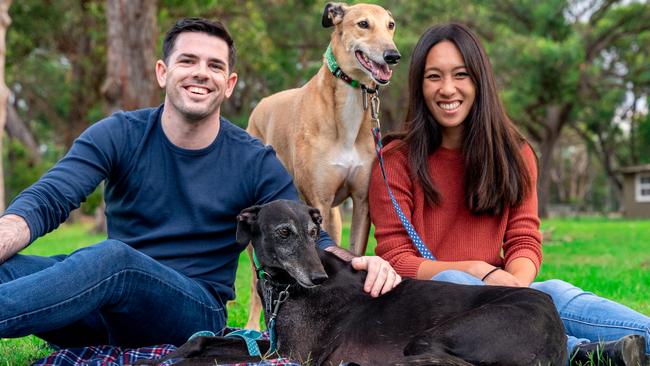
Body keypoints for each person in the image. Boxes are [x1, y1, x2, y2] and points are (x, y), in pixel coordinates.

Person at [0, 17, 401, 349]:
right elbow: (49, 198)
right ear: (163, 72)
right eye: (188, 61)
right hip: (106, 308)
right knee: (11, 269)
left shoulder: (253, 159)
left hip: (192, 310)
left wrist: (359, 261)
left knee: (112, 259)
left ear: (228, 84)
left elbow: (303, 232)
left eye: (214, 66)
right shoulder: (118, 133)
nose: (200, 74)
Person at [369, 23, 649, 366]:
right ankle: (579, 353)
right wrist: (479, 271)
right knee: (455, 280)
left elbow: (524, 240)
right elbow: (397, 257)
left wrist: (513, 288)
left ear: (479, 81)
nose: (447, 89)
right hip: (433, 303)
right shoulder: (394, 159)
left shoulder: (514, 154)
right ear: (419, 84)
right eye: (433, 77)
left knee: (555, 290)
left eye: (461, 75)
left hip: (500, 290)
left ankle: (641, 339)